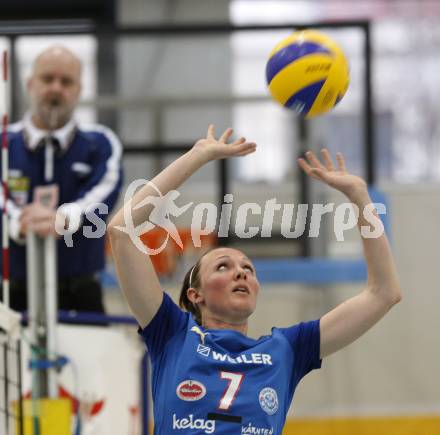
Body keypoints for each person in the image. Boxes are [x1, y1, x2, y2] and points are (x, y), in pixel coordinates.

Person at [108, 125, 402, 434]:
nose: (241, 272)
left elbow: (384, 293)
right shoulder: (173, 334)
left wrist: (359, 197)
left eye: (248, 269)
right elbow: (120, 231)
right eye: (223, 266)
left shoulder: (287, 348)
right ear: (196, 295)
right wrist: (196, 157)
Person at [0, 45, 123, 314]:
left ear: (78, 89)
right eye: (47, 79)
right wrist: (19, 223)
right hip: (10, 294)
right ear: (30, 84)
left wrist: (65, 217)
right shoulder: (4, 143)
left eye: (66, 81)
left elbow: (103, 193)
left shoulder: (100, 143)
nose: (56, 88)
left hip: (81, 293)